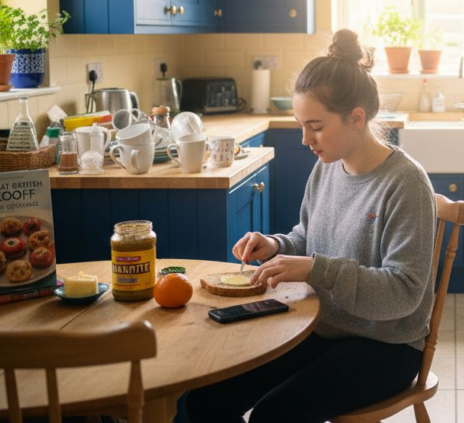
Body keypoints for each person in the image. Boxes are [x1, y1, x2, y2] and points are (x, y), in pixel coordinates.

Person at [186, 29, 437, 423]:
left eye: (316, 126)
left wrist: (316, 268)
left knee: (274, 415)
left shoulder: (406, 184)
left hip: (386, 346)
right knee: (203, 399)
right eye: (302, 125)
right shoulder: (327, 168)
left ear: (356, 118)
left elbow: (403, 294)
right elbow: (309, 236)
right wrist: (275, 244)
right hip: (322, 327)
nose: (306, 139)